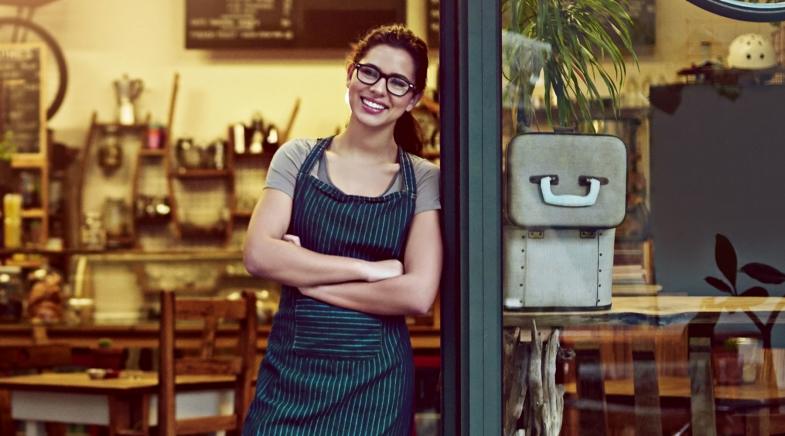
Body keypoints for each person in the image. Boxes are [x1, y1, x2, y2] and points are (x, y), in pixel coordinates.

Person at [241, 24, 442, 435]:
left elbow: (418, 294)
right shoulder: (296, 158)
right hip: (291, 378)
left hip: (376, 385)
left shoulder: (423, 178)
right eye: (369, 73)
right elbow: (259, 254)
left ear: (414, 99)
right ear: (350, 73)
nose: (378, 90)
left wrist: (308, 280)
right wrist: (371, 269)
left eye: (398, 82)